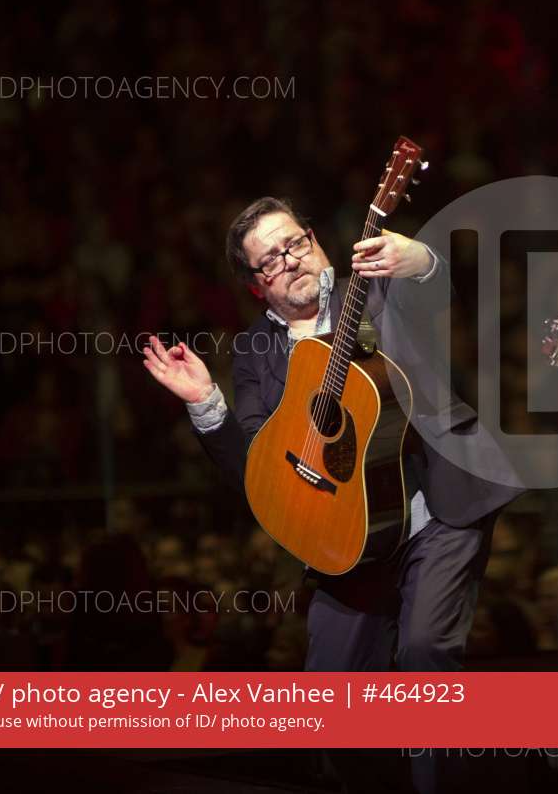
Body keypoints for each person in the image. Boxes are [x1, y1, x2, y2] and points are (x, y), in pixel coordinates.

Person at [142, 196, 522, 793]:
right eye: (270, 259)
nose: (289, 259)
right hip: (347, 539)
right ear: (256, 287)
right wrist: (206, 404)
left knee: (424, 652)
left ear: (315, 240)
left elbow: (437, 295)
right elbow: (260, 473)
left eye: (294, 243)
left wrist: (421, 261)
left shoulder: (373, 291)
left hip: (435, 509)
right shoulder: (255, 352)